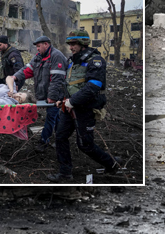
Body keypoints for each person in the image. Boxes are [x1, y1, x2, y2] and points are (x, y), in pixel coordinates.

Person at [47, 30, 122, 182]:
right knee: (60, 136)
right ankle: (65, 173)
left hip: (85, 109)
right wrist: (63, 99)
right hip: (69, 108)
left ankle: (112, 165)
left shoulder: (96, 61)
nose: (71, 47)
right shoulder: (72, 61)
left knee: (85, 145)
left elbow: (93, 86)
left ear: (83, 44)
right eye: (70, 44)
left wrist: (72, 101)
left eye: (73, 44)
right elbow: (69, 84)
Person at [7, 35, 67, 152]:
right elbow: (27, 69)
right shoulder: (38, 57)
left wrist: (52, 97)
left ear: (46, 44)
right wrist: (15, 77)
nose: (37, 49)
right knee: (56, 117)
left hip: (57, 94)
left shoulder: (56, 56)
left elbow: (57, 79)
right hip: (45, 93)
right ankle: (61, 138)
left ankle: (44, 141)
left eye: (39, 46)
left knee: (51, 117)